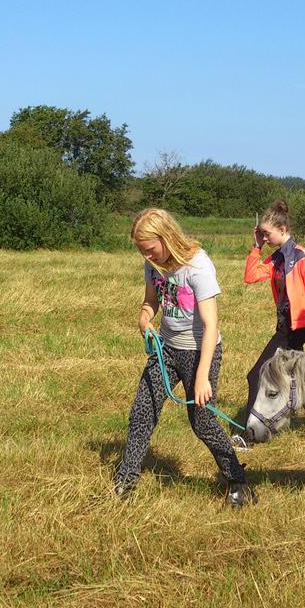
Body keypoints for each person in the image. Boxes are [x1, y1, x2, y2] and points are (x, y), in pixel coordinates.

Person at [113, 208, 256, 507]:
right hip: (165, 348)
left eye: (150, 249)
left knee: (203, 422)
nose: (148, 257)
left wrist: (203, 376)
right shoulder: (153, 265)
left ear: (165, 237)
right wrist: (144, 319)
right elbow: (151, 301)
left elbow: (211, 324)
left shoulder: (198, 265)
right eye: (142, 252)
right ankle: (126, 481)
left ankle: (238, 482)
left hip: (199, 351)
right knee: (142, 411)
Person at [236, 199, 305, 447]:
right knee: (301, 380)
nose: (264, 238)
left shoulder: (302, 257)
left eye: (266, 234)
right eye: (262, 234)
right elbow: (251, 276)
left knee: (256, 375)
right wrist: (255, 248)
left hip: (297, 330)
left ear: (282, 229)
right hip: (285, 328)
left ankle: (249, 436)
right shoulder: (277, 258)